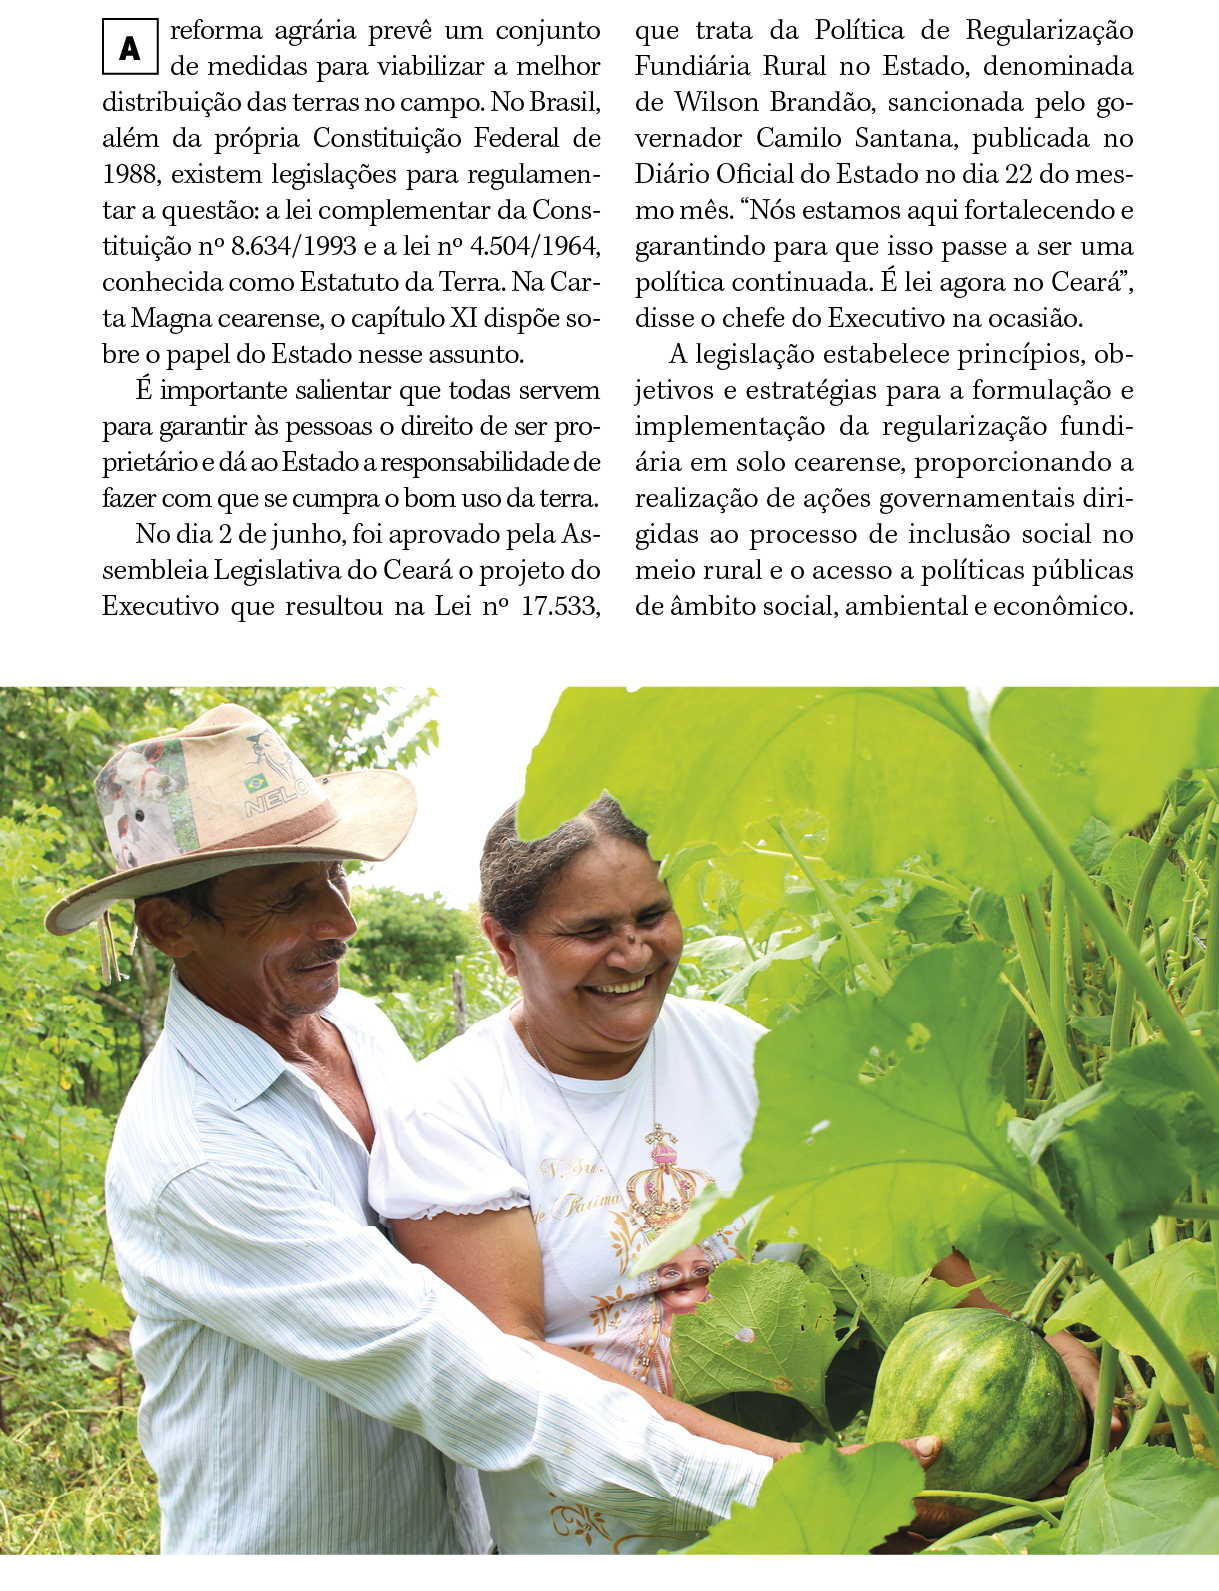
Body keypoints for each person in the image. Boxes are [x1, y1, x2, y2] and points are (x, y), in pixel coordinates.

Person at [44, 703, 813, 1555]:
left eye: (334, 876)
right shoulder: (194, 1153)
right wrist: (784, 1489)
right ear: (169, 925)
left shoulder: (357, 1027)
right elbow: (456, 1364)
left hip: (447, 1535)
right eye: (288, 896)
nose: (341, 920)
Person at [370, 797, 1115, 1554]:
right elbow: (510, 1358)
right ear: (502, 944)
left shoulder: (738, 1051)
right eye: (590, 931)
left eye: (651, 915)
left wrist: (1030, 1336)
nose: (632, 953)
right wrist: (805, 1478)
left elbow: (877, 1212)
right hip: (601, 1533)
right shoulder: (449, 1111)